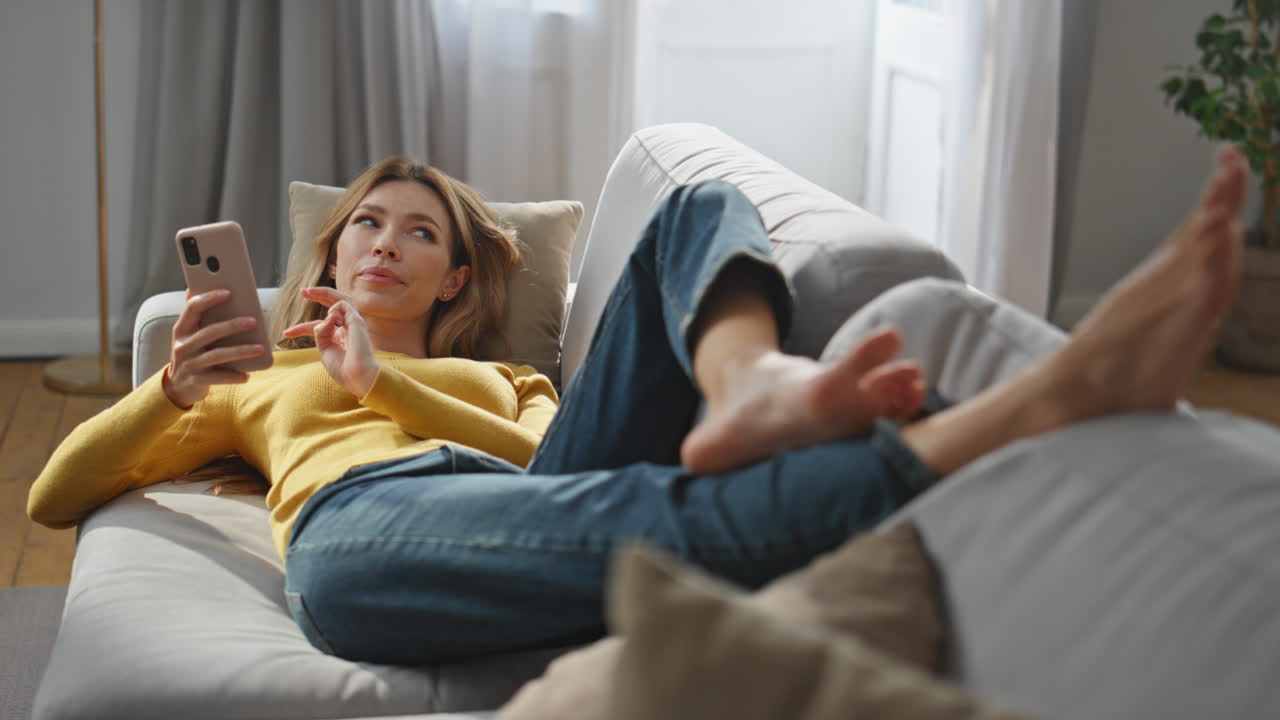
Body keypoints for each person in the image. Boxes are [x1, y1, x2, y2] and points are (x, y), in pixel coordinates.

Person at [29, 147, 1248, 666]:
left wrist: (389, 379)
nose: (386, 244)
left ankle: (747, 380)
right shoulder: (263, 379)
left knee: (697, 207)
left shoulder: (501, 373)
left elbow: (538, 454)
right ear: (332, 255)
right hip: (368, 519)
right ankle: (1030, 404)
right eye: (367, 226)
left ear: (458, 276)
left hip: (533, 477)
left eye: (421, 233)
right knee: (340, 583)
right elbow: (52, 495)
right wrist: (175, 392)